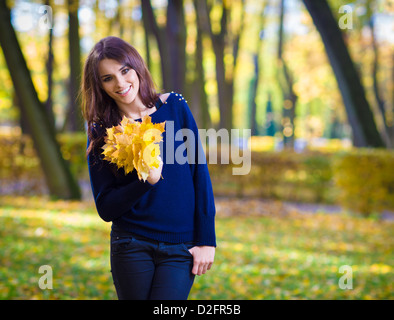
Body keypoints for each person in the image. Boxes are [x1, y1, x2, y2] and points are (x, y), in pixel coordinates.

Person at [81, 36, 216, 300]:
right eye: (108, 78)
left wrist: (207, 240)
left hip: (181, 247)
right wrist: (146, 181)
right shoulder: (101, 130)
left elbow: (200, 175)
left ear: (137, 66)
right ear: (99, 86)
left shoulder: (175, 107)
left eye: (124, 70)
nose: (120, 83)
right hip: (131, 243)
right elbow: (106, 207)